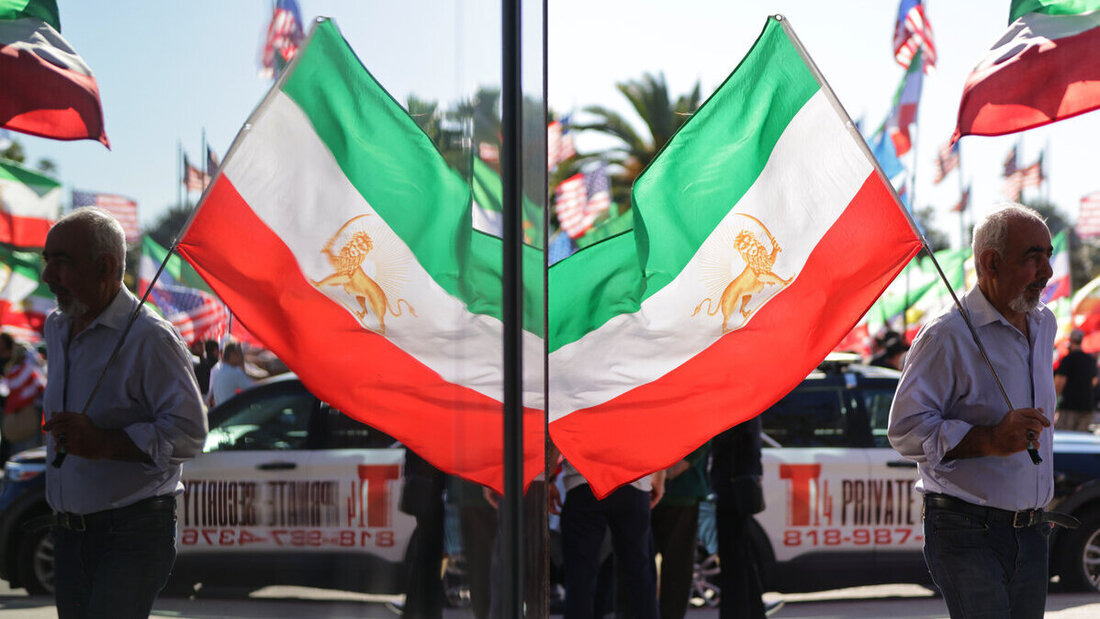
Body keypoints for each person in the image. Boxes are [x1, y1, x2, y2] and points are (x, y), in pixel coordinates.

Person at [888, 204, 1070, 619]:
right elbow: (905, 430)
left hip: (1033, 532)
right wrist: (989, 439)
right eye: (1033, 256)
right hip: (967, 531)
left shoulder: (1044, 324)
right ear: (991, 262)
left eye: (1048, 254)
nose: (1047, 271)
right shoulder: (946, 335)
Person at [39, 207, 207, 618]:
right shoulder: (57, 327)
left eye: (61, 262)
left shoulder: (150, 338)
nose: (47, 277)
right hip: (67, 532)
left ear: (106, 266)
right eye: (47, 261)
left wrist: (105, 443)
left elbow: (189, 433)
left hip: (130, 532)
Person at [559, 460, 665, 619]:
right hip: (634, 480)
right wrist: (659, 476)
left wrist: (547, 478)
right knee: (640, 574)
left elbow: (555, 437)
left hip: (584, 481)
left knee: (580, 576)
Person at [711, 417, 775, 619]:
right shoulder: (748, 401)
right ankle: (752, 611)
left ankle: (738, 612)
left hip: (732, 482)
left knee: (734, 555)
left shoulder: (738, 403)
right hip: (737, 481)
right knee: (740, 553)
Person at [650, 444, 709, 619]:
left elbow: (706, 428)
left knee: (677, 569)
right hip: (643, 489)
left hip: (680, 492)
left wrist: (680, 464)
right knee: (637, 568)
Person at [1054, 329, 1097, 432]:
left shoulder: (1068, 359)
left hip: (1069, 406)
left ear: (1071, 341)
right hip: (1087, 406)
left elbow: (1060, 382)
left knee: (1065, 438)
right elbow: (1094, 381)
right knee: (1080, 440)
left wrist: (1054, 401)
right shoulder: (1090, 359)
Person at [206, 339, 254, 407]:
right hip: (234, 414)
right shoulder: (234, 372)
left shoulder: (218, 372)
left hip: (223, 414)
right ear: (232, 354)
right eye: (240, 353)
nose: (242, 357)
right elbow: (254, 390)